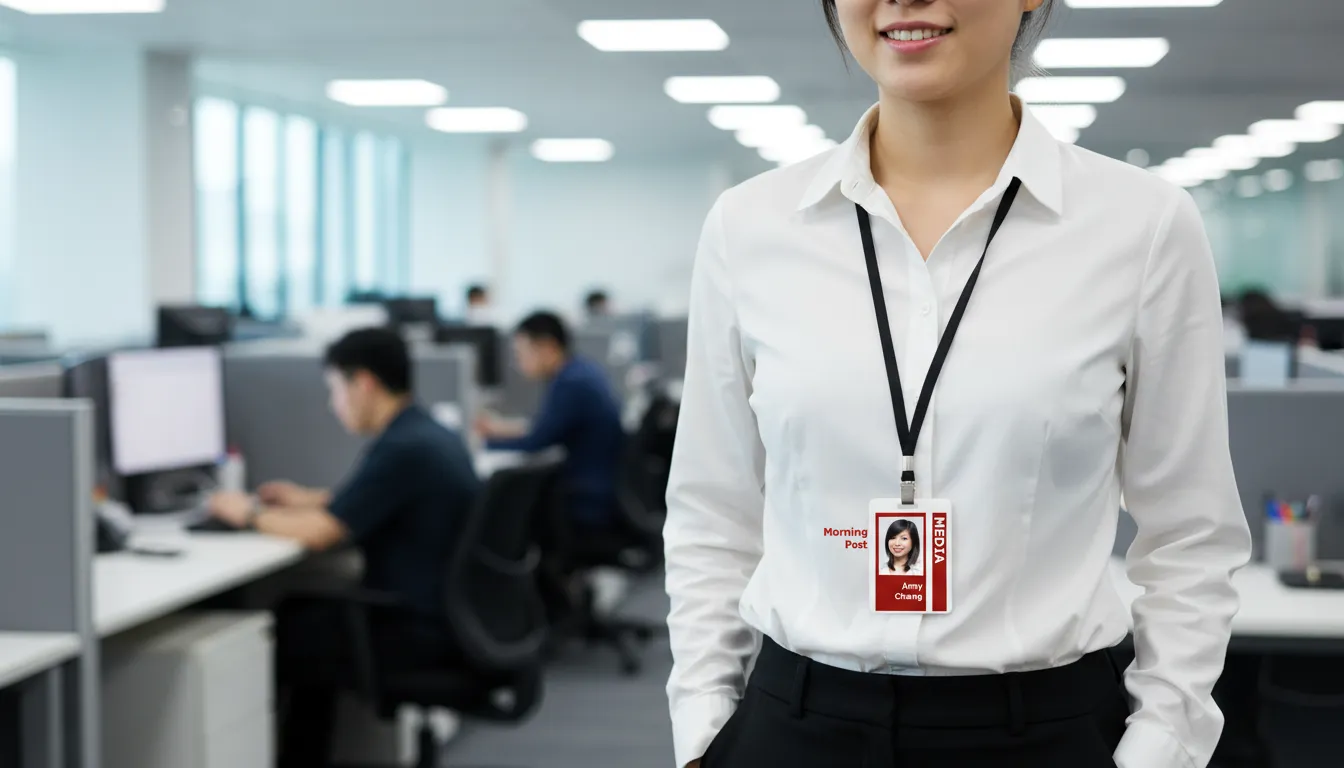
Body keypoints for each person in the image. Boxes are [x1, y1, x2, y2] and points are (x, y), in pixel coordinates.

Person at [664, 2, 1252, 768]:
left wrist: (1159, 746)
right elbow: (712, 511)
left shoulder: (1140, 228)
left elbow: (1192, 533)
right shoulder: (749, 228)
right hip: (796, 725)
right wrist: (705, 731)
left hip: (1043, 729)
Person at [206, 327, 481, 768]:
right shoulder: (424, 434)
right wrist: (306, 499)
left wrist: (245, 513)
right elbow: (371, 500)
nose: (332, 404)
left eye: (334, 389)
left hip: (416, 629)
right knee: (309, 617)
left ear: (364, 384)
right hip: (444, 616)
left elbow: (322, 533)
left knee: (295, 624)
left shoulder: (401, 448)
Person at [476, 311, 624, 531]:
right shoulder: (579, 371)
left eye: (521, 354)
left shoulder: (570, 384)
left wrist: (481, 445)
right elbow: (547, 427)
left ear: (547, 347)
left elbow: (535, 442)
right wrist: (502, 429)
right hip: (600, 482)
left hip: (586, 495)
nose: (518, 363)